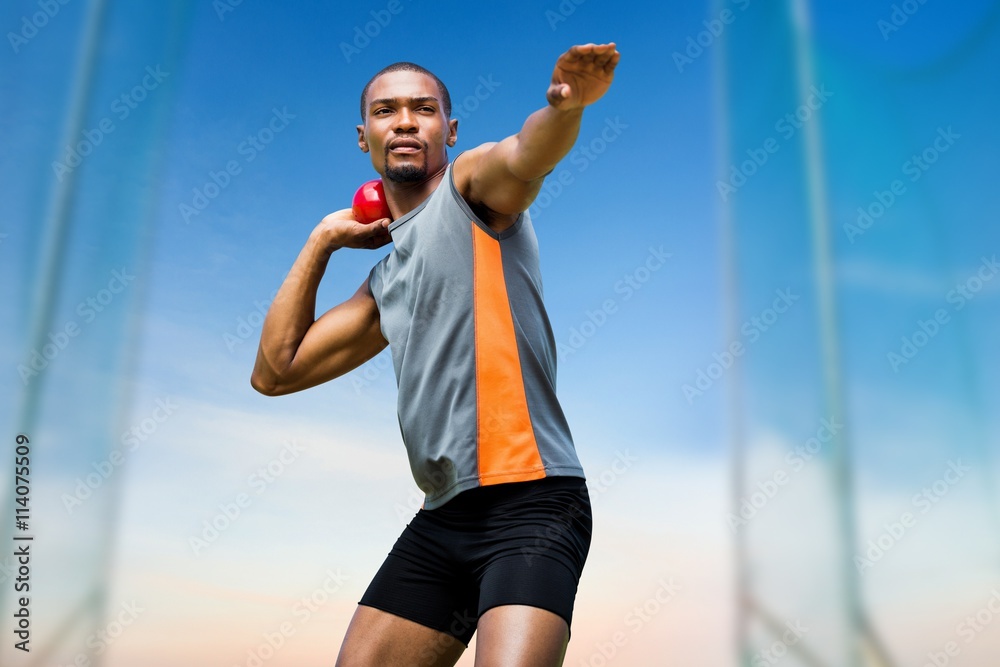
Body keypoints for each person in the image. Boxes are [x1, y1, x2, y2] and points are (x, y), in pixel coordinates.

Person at [251, 42, 620, 667]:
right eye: (386, 110)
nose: (403, 121)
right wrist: (322, 241)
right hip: (442, 519)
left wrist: (567, 108)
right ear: (363, 136)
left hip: (532, 504)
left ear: (448, 131)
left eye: (422, 109)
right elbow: (275, 372)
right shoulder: (384, 283)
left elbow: (526, 156)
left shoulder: (472, 193)